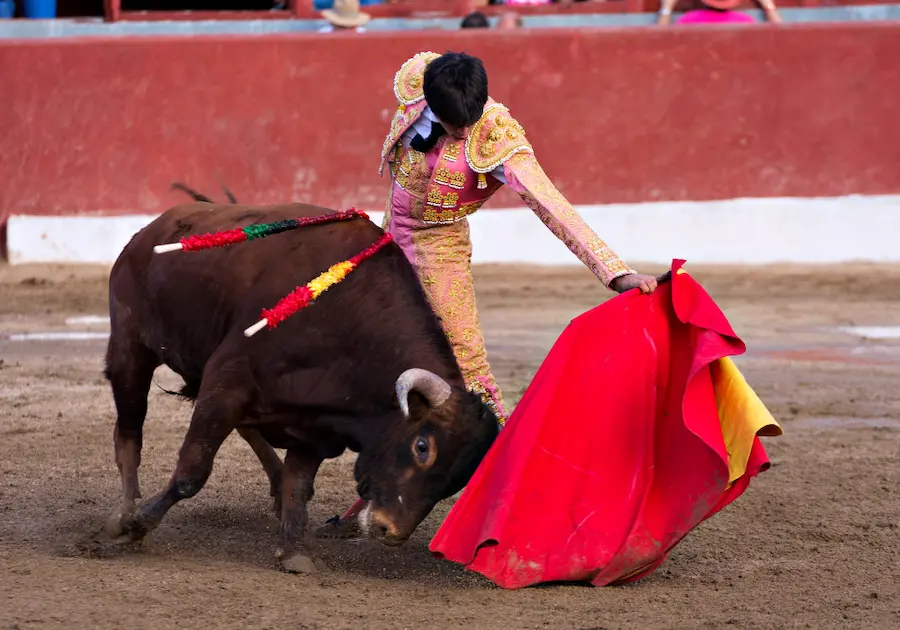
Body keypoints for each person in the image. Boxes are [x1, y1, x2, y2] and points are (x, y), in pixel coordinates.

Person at [316, 51, 659, 538]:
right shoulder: (419, 81)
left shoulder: (497, 136)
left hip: (439, 251)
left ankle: (519, 500)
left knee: (469, 374)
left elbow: (550, 205)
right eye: (454, 124)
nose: (462, 134)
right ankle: (368, 500)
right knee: (362, 360)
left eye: (467, 123)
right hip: (386, 243)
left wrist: (615, 272)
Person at [657, 0, 781, 25]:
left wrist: (666, 8)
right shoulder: (744, 21)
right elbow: (780, 36)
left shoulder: (689, 20)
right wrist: (768, 5)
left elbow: (661, 39)